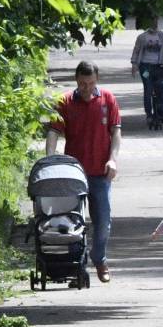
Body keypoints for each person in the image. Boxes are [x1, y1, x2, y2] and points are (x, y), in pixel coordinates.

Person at [46, 60, 122, 283]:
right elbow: (53, 133)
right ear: (76, 81)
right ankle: (75, 264)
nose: (86, 88)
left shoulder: (107, 99)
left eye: (90, 83)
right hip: (73, 174)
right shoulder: (65, 101)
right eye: (82, 84)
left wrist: (113, 160)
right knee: (70, 221)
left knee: (103, 221)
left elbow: (116, 133)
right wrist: (51, 161)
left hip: (100, 172)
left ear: (96, 80)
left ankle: (99, 258)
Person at [130, 16, 163, 123]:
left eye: (155, 21)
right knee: (148, 88)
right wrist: (134, 64)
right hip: (145, 67)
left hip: (158, 66)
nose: (154, 24)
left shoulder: (162, 35)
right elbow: (136, 50)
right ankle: (149, 114)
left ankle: (159, 111)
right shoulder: (142, 37)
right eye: (152, 22)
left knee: (160, 88)